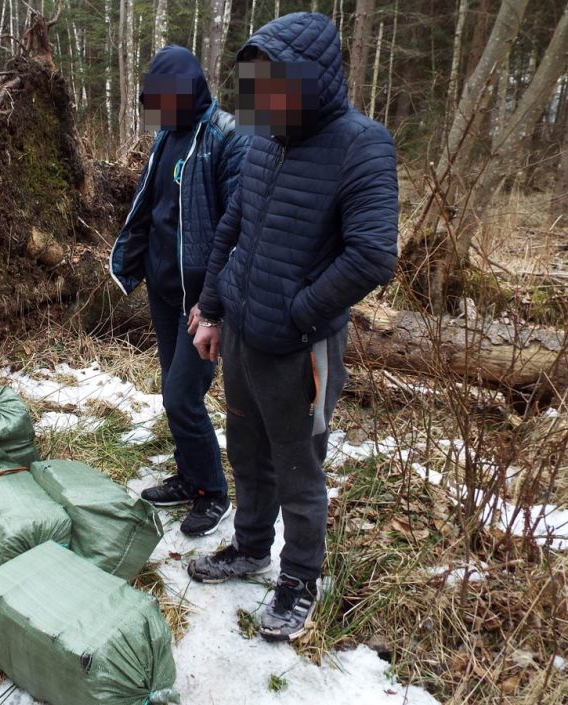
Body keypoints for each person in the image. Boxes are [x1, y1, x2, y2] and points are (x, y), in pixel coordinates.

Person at [187, 12, 399, 641]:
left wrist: (298, 313)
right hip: (244, 336)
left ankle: (300, 578)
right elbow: (235, 225)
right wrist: (214, 307)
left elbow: (371, 255)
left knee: (299, 464)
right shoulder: (260, 136)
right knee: (248, 451)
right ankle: (250, 546)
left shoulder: (362, 143)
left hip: (302, 347)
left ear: (311, 81)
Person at [110, 45, 250, 536]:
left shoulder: (228, 137)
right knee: (174, 394)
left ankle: (213, 493)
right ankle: (189, 476)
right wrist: (132, 263)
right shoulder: (167, 137)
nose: (161, 111)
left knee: (183, 395)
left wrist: (213, 304)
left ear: (190, 93)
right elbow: (151, 205)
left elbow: (239, 231)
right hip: (164, 290)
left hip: (201, 301)